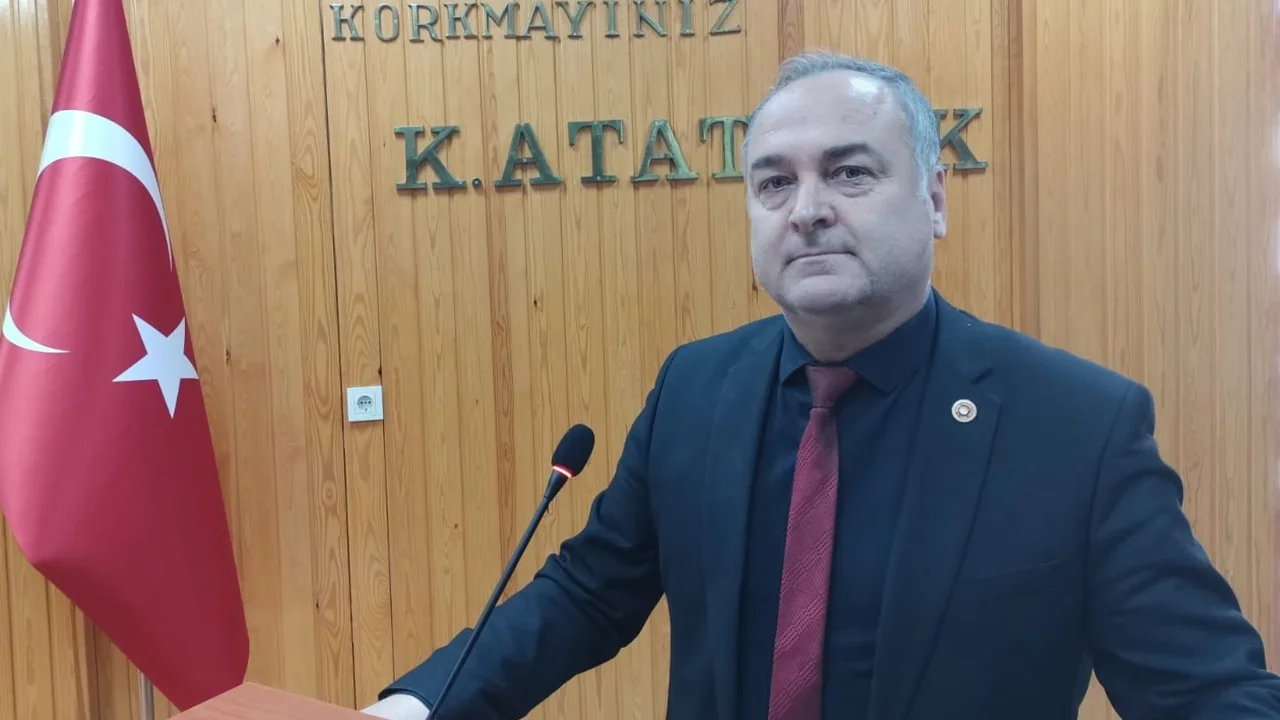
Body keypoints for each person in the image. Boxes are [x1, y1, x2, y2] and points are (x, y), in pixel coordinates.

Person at [363, 51, 1280, 720]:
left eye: (849, 172)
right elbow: (588, 593)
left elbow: (1205, 689)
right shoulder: (696, 390)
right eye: (774, 183)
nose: (807, 209)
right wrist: (417, 706)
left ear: (934, 198)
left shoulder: (1077, 425)